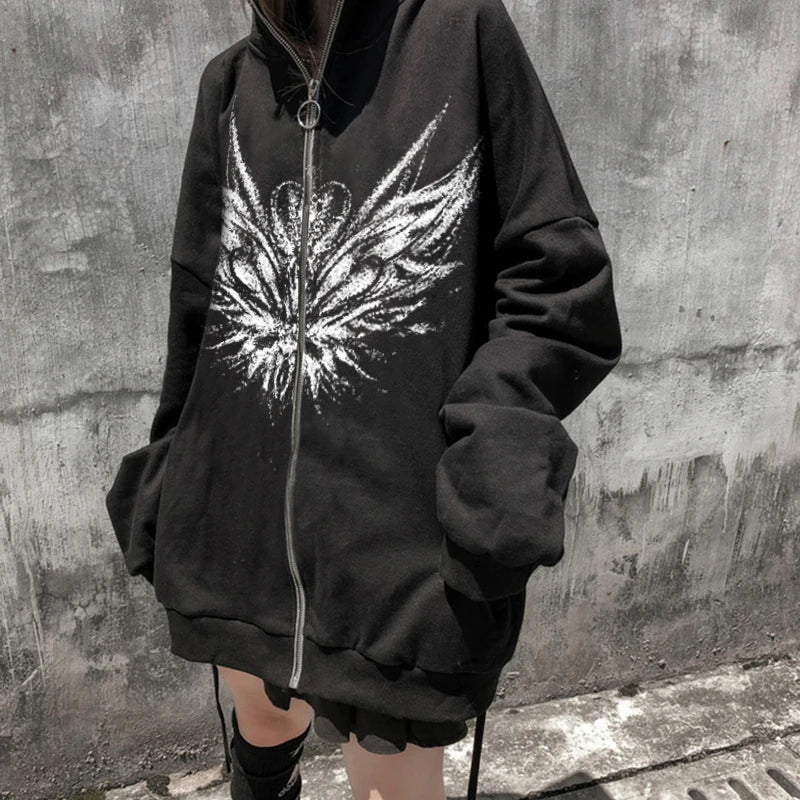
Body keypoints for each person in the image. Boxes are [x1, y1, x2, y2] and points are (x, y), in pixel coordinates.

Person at [104, 0, 622, 798]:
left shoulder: (462, 34)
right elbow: (197, 305)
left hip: (398, 557)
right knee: (262, 719)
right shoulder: (229, 86)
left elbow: (559, 276)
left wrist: (495, 442)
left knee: (390, 782)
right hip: (235, 534)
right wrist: (172, 471)